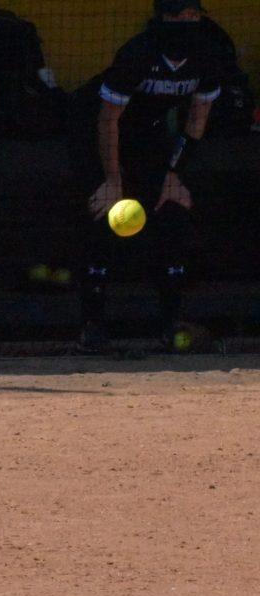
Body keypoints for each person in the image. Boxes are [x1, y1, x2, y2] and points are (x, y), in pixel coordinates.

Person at [70, 0, 220, 353]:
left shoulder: (208, 54)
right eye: (179, 15)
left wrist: (173, 174)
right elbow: (108, 121)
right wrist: (113, 182)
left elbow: (197, 121)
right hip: (95, 130)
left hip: (146, 134)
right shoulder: (138, 53)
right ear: (162, 18)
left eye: (194, 15)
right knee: (102, 214)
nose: (188, 22)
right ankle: (91, 328)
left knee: (173, 213)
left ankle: (170, 324)